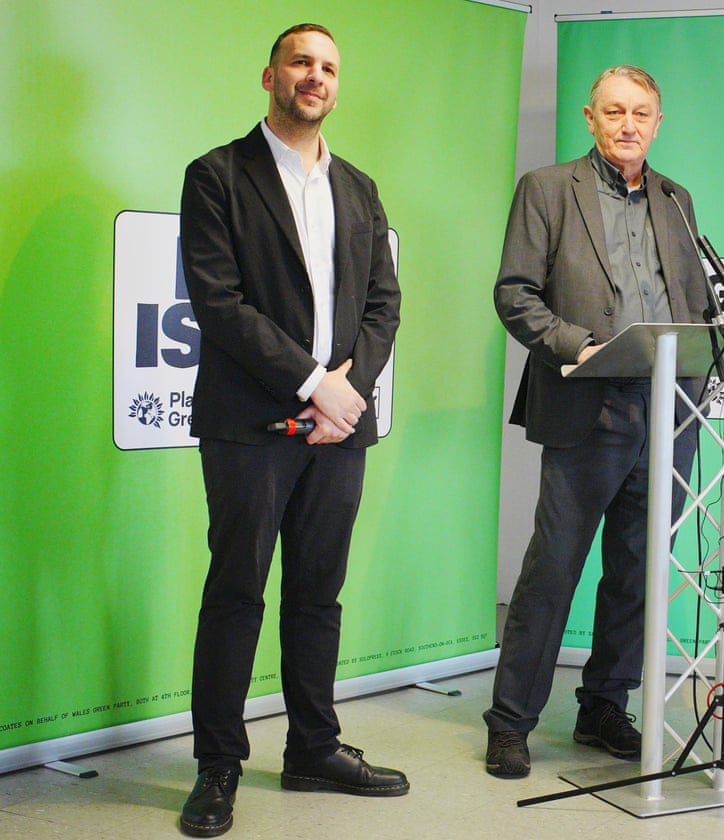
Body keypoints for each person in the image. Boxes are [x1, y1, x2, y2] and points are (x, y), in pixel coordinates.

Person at [177, 23, 405, 837]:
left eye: (329, 67)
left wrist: (346, 393)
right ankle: (218, 765)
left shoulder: (360, 187)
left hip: (337, 429)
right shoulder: (216, 176)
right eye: (302, 63)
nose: (316, 76)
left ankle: (313, 746)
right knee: (237, 593)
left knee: (318, 595)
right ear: (269, 75)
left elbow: (384, 302)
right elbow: (219, 303)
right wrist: (314, 384)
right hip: (250, 424)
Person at [483, 65, 710, 778]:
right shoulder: (548, 189)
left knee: (638, 575)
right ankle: (512, 721)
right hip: (589, 403)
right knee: (552, 570)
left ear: (659, 121)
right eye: (614, 111)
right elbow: (515, 293)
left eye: (642, 112)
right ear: (589, 117)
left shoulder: (677, 200)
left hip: (670, 412)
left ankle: (604, 706)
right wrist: (574, 346)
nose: (628, 124)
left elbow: (698, 302)